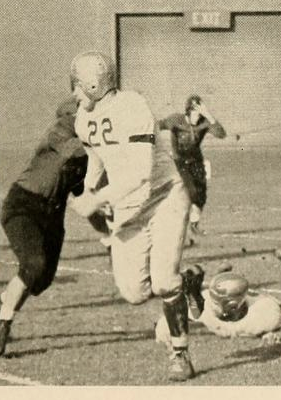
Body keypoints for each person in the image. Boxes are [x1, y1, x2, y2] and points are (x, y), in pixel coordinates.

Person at [67, 51, 199, 381]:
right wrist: (88, 187)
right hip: (129, 206)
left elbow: (140, 172)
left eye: (78, 84)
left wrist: (98, 199)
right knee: (134, 292)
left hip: (164, 195)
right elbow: (97, 156)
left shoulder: (132, 106)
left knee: (164, 280)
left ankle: (180, 353)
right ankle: (188, 283)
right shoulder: (83, 117)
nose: (74, 92)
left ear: (93, 84)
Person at [0, 95, 109, 356]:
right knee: (34, 264)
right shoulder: (59, 131)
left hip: (52, 215)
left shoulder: (86, 160)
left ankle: (3, 301)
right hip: (24, 205)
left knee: (41, 281)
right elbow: (79, 149)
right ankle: (4, 324)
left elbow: (84, 202)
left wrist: (110, 234)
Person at [155, 246, 281, 345]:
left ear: (232, 305)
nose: (212, 303)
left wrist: (280, 333)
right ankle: (219, 277)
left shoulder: (265, 312)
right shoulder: (206, 305)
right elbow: (174, 317)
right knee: (199, 302)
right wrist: (163, 330)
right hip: (233, 304)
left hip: (261, 305)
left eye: (217, 302)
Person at [158, 95, 227, 243]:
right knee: (191, 192)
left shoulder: (203, 122)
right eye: (196, 113)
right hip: (180, 162)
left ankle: (194, 225)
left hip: (196, 161)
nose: (198, 117)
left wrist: (208, 115)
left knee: (201, 196)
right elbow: (157, 126)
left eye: (200, 114)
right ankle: (175, 227)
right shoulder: (176, 120)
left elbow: (221, 134)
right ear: (188, 111)